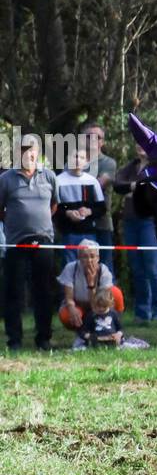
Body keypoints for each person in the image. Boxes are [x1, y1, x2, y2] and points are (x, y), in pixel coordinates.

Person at [0, 135, 58, 351]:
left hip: (44, 241)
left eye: (32, 150)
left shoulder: (49, 176)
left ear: (38, 152)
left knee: (43, 291)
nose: (29, 154)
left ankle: (43, 338)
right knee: (13, 291)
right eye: (24, 150)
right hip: (16, 243)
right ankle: (14, 340)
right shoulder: (6, 179)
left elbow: (54, 205)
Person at [115, 145, 157, 321]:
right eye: (136, 143)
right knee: (137, 270)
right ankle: (142, 312)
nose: (139, 146)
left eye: (143, 142)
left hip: (150, 223)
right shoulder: (130, 167)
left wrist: (134, 189)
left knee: (154, 269)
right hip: (130, 222)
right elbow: (118, 185)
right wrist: (135, 186)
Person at [57, 238, 124, 331]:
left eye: (92, 256)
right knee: (66, 314)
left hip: (99, 303)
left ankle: (114, 323)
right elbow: (69, 299)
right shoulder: (71, 268)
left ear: (98, 258)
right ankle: (81, 331)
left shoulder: (104, 271)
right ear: (79, 258)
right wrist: (72, 308)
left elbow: (100, 303)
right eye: (85, 256)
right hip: (78, 304)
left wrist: (91, 284)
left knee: (116, 293)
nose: (89, 260)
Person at [55, 146, 106, 259]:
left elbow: (102, 209)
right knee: (70, 267)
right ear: (68, 159)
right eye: (75, 156)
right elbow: (54, 209)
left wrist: (89, 211)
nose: (78, 160)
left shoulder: (92, 181)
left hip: (89, 232)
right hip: (67, 233)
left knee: (89, 265)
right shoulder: (58, 181)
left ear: (86, 161)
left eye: (81, 157)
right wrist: (68, 213)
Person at [81, 123, 117, 273]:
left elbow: (97, 184)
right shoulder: (72, 161)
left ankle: (106, 298)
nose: (93, 140)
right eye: (89, 137)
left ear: (103, 142)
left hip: (102, 222)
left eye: (98, 137)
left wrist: (76, 180)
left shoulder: (109, 163)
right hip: (78, 225)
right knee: (79, 269)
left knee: (105, 269)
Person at [73, 284, 148, 351]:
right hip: (97, 340)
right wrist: (91, 337)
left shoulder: (113, 314)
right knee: (80, 348)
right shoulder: (92, 315)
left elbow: (120, 329)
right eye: (98, 306)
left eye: (104, 307)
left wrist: (118, 335)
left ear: (110, 304)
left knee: (127, 346)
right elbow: (83, 332)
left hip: (112, 340)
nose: (101, 309)